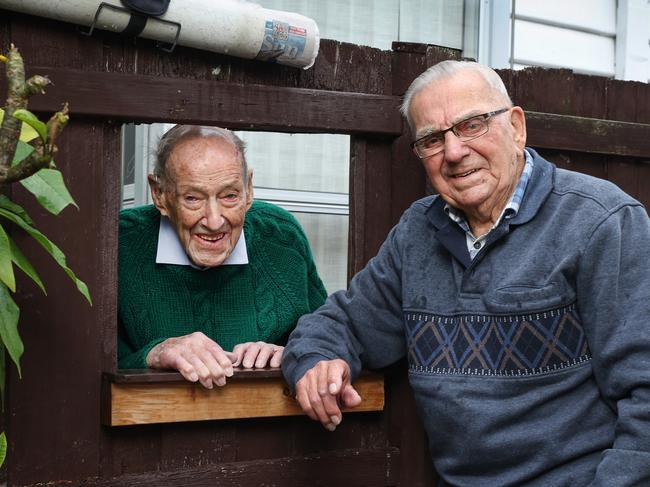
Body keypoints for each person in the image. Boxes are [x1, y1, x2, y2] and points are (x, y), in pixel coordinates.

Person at [281, 60, 650, 485]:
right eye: (433, 140)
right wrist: (317, 361)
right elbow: (344, 321)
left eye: (472, 125)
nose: (454, 152)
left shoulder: (600, 221)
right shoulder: (418, 231)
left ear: (516, 126)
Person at [118, 125, 327, 389]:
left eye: (230, 196)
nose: (215, 221)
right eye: (193, 198)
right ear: (159, 194)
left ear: (249, 189)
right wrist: (153, 354)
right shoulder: (119, 243)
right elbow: (85, 360)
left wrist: (292, 352)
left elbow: (325, 337)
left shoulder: (282, 236)